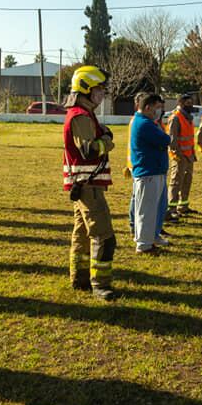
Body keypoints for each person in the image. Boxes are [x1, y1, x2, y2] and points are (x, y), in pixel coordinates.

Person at [63, 65, 118, 301]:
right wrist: (106, 140)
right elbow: (89, 150)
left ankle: (80, 278)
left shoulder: (83, 114)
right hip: (88, 186)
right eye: (99, 89)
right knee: (104, 236)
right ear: (86, 89)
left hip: (83, 184)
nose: (102, 94)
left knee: (82, 235)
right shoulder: (81, 116)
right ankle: (100, 284)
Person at [130, 93, 172, 254]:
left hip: (155, 171)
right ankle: (144, 244)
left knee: (154, 209)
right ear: (148, 107)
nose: (160, 111)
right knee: (146, 210)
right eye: (157, 107)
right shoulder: (144, 124)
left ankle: (150, 238)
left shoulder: (148, 122)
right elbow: (165, 140)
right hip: (148, 173)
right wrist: (166, 139)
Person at [166, 93, 197, 217]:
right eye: (188, 103)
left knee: (187, 180)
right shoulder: (176, 118)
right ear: (180, 104)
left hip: (189, 155)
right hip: (179, 156)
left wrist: (192, 153)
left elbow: (189, 138)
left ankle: (183, 206)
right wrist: (178, 154)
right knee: (176, 181)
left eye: (191, 103)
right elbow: (172, 140)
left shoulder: (188, 118)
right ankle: (171, 208)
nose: (191, 105)